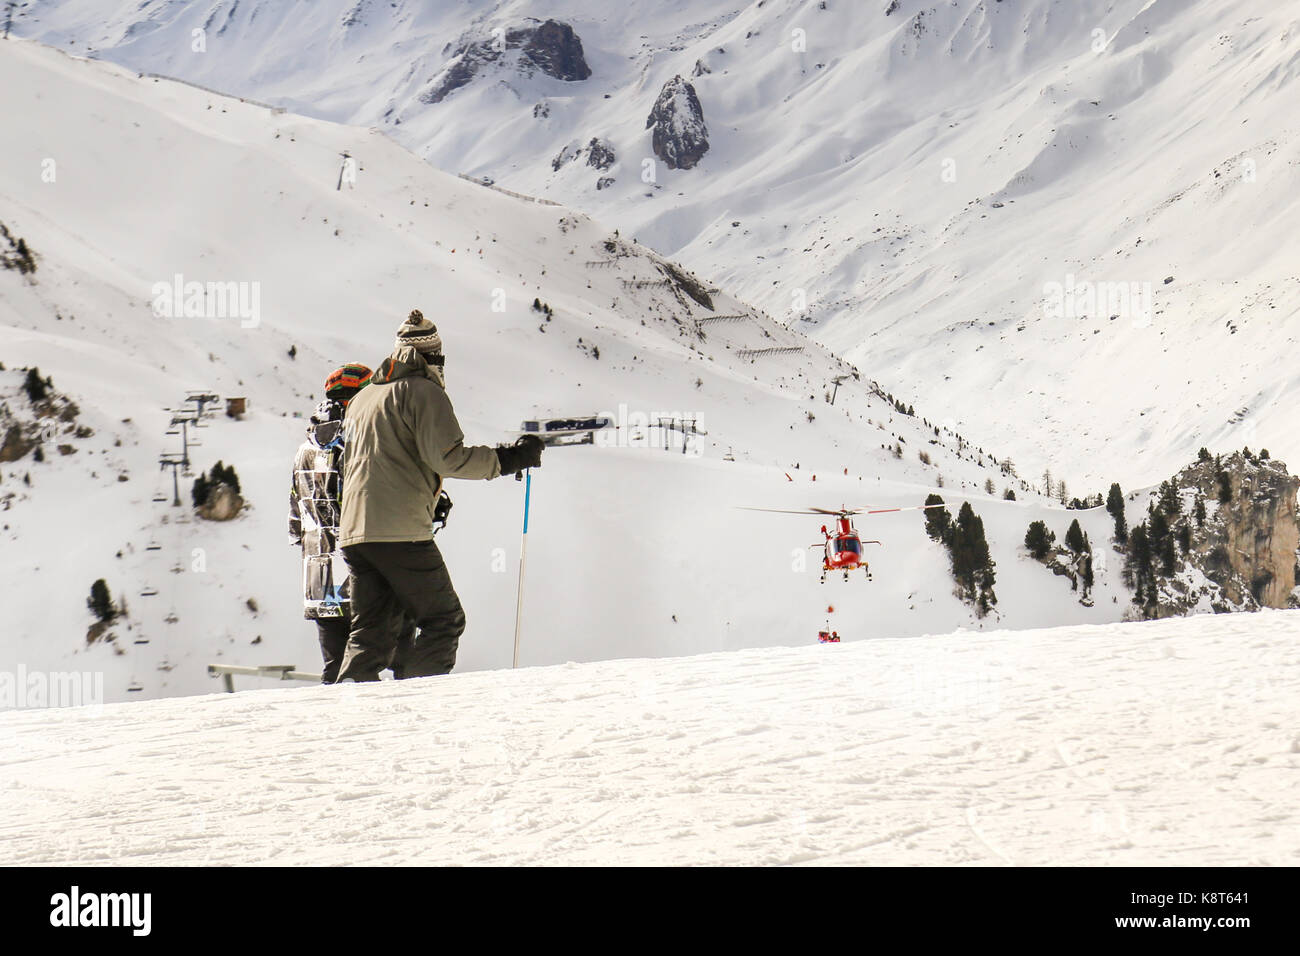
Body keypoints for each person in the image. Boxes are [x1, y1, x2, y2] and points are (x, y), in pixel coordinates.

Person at [336, 310, 543, 682]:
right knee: (443, 620)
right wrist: (509, 459)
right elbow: (449, 458)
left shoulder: (364, 398)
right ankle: (424, 701)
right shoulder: (423, 392)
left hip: (355, 532)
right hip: (400, 532)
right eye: (438, 357)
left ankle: (349, 708)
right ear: (427, 356)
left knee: (370, 633)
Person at [288, 363, 373, 683]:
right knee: (373, 657)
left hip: (318, 570)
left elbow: (295, 515)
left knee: (334, 666)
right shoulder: (358, 442)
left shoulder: (305, 448)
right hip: (357, 561)